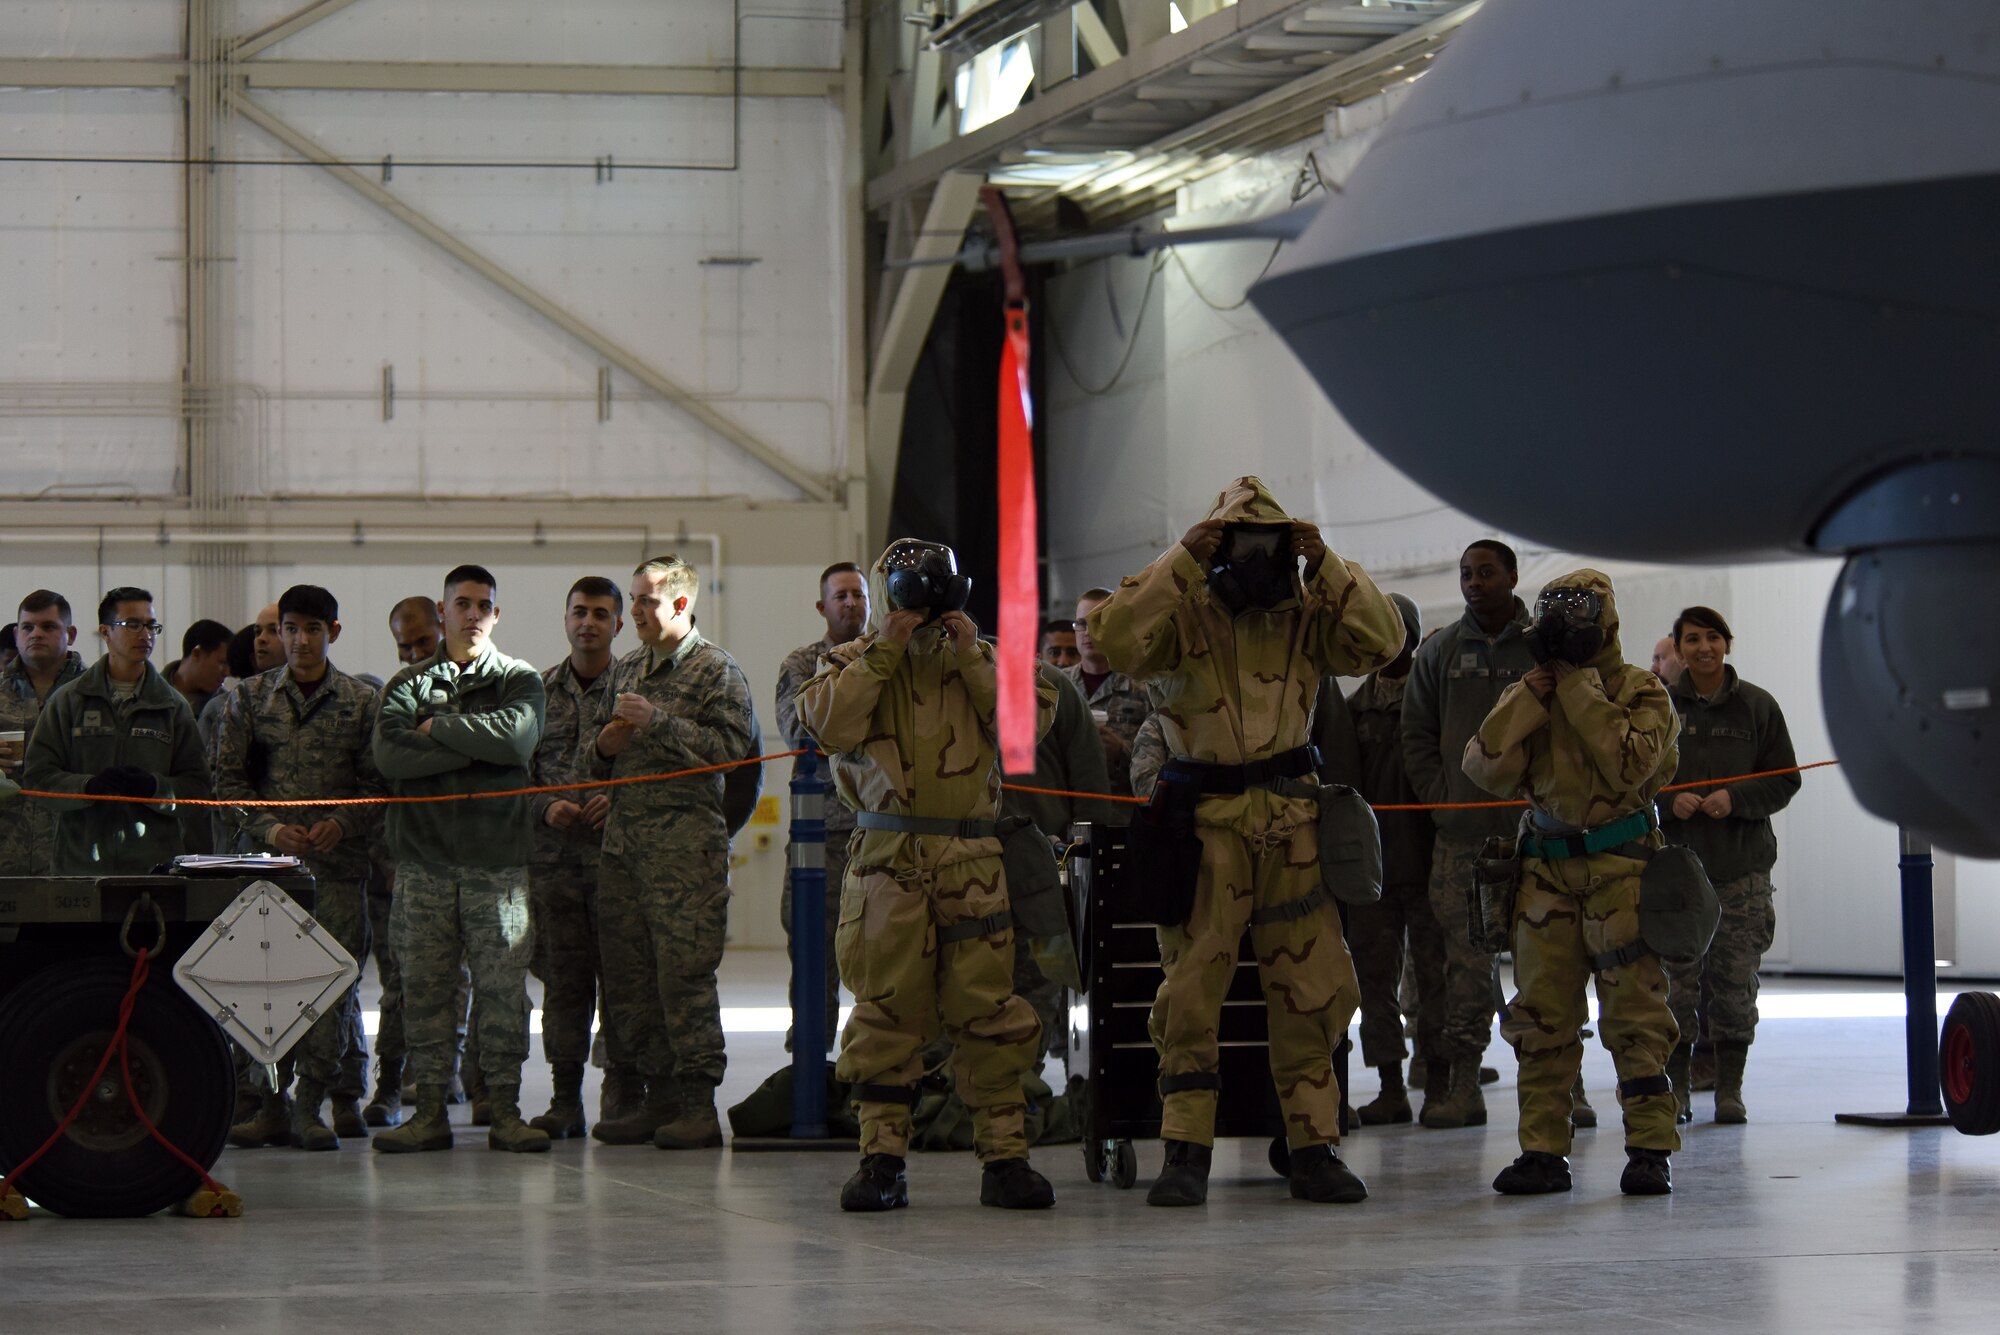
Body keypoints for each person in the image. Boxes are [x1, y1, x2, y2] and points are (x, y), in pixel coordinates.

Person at [1089, 477, 1402, 1207]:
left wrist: (1326, 563)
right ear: (1217, 543)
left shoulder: (1308, 616)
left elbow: (1384, 642)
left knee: (1311, 989)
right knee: (1192, 991)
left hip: (1293, 826)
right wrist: (1182, 558)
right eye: (1243, 541)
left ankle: (1313, 1145)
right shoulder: (1179, 615)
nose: (1259, 559)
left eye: (1273, 543)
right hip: (1205, 828)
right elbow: (1110, 640)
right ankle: (1185, 1150)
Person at [799, 538, 1058, 1212]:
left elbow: (1026, 731)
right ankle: (881, 1160)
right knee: (884, 1013)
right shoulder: (851, 662)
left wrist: (971, 653)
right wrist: (884, 647)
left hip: (970, 859)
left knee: (988, 1011)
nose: (929, 600)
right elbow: (825, 724)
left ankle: (1005, 1159)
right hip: (887, 862)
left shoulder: (984, 658)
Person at [1464, 570, 1683, 1197]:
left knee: (1635, 1014)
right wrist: (1528, 697)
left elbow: (1627, 767)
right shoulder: (1533, 691)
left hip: (1623, 872)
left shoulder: (1644, 693)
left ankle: (1648, 1147)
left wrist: (1579, 687)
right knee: (1541, 1016)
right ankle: (1542, 1151)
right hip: (1545, 873)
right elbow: (1483, 767)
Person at [370, 565, 549, 1154]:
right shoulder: (406, 684)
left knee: (503, 993)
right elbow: (392, 758)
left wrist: (439, 729)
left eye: (483, 606)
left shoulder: (521, 681)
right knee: (423, 990)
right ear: (441, 612)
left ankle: (505, 1111)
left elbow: (517, 742)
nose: (472, 614)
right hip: (423, 865)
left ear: (496, 616)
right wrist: (477, 748)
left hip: (497, 866)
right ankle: (429, 1115)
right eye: (461, 604)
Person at [587, 555, 755, 1150]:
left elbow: (733, 752)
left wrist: (658, 722)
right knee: (630, 983)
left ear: (682, 605)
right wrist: (605, 746)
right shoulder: (626, 666)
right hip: (624, 852)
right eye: (632, 600)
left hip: (686, 855)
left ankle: (698, 1105)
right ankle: (655, 1100)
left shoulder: (717, 671)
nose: (634, 612)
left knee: (684, 980)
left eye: (647, 602)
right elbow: (591, 756)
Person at [214, 585, 385, 1151]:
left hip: (336, 870)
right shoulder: (250, 698)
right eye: (291, 628)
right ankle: (269, 1104)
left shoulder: (362, 703)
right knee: (260, 987)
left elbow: (378, 787)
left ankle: (312, 1105)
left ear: (333, 633)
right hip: (268, 870)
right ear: (278, 631)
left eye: (313, 629)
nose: (300, 640)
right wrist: (266, 828)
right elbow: (228, 786)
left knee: (330, 987)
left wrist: (343, 821)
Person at [1400, 540, 1536, 1128]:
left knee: (1548, 965)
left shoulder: (1546, 649)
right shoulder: (1440, 653)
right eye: (1465, 575)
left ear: (1511, 576)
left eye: (1485, 573)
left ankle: (1563, 1086)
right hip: (1463, 843)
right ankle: (1462, 1086)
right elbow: (1417, 736)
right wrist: (1444, 801)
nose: (1473, 583)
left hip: (1539, 838)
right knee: (1467, 970)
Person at [1658, 605, 1799, 1125]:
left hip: (1741, 873)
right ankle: (1675, 1092)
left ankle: (1729, 1090)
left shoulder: (1757, 707)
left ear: (1727, 644)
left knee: (1735, 986)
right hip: (1675, 876)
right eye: (1692, 639)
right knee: (1675, 989)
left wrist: (1734, 798)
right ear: (1678, 648)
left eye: (1712, 638)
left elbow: (1785, 780)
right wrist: (1667, 802)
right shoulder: (1660, 707)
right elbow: (1633, 784)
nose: (1703, 648)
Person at [524, 576, 636, 1138]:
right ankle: (564, 1098)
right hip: (553, 867)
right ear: (565, 619)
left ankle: (621, 1088)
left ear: (618, 623)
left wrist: (616, 800)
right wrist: (546, 806)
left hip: (618, 864)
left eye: (600, 613)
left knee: (621, 983)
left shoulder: (637, 690)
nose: (587, 622)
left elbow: (655, 771)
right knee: (563, 985)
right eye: (578, 612)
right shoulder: (536, 693)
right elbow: (516, 775)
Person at [1345, 594, 1447, 1126]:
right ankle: (1390, 1085)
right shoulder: (1352, 709)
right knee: (1373, 983)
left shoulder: (1434, 706)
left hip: (1431, 865)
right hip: (1373, 874)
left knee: (1436, 981)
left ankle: (1441, 1081)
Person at [23, 587, 211, 872]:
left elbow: (198, 789)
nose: (145, 634)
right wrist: (87, 787)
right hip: (79, 868)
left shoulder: (172, 707)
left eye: (151, 626)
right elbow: (38, 778)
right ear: (105, 631)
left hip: (154, 869)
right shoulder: (69, 701)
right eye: (132, 624)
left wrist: (156, 788)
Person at [360, 593, 451, 1124]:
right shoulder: (393, 696)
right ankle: (390, 1082)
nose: (415, 652)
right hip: (399, 864)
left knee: (470, 984)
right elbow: (379, 780)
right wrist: (388, 861)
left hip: (463, 858)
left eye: (423, 640)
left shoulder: (475, 687)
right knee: (399, 984)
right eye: (405, 645)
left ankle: (461, 1081)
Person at [1001, 660, 1118, 1067]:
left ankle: (1019, 1092)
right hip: (1021, 867)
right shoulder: (1048, 681)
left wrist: (1089, 862)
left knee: (1031, 991)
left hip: (1034, 868)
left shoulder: (1045, 684)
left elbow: (1090, 786)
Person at [774, 561, 870, 1054]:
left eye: (858, 594)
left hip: (881, 830)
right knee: (814, 948)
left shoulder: (890, 656)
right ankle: (811, 1060)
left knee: (887, 953)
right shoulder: (801, 664)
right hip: (823, 834)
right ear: (822, 607)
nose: (851, 603)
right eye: (841, 596)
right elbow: (800, 733)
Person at [0, 591, 85, 873]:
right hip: (7, 853)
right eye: (28, 627)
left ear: (70, 634)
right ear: (16, 635)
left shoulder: (94, 694)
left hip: (73, 852)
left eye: (48, 627)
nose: (36, 634)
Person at [1065, 587, 1153, 813]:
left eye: (1098, 621)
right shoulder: (1057, 687)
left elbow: (1163, 765)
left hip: (1122, 815)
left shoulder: (1145, 688)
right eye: (1081, 624)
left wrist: (1121, 752)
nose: (1087, 632)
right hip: (1065, 815)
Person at [166, 619, 233, 719]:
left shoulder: (226, 707)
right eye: (222, 663)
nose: (227, 672)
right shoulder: (150, 692)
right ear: (196, 654)